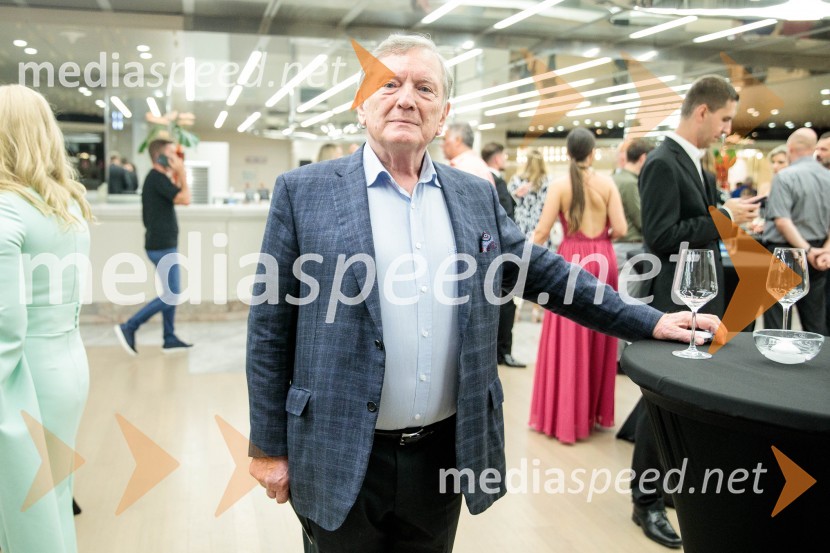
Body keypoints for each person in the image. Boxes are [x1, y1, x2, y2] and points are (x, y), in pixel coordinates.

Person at [245, 33, 718, 553]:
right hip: (337, 449)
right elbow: (269, 328)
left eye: (424, 88)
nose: (406, 98)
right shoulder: (303, 193)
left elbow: (543, 273)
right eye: (388, 84)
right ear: (362, 104)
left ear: (442, 113)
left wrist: (646, 320)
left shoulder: (473, 195)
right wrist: (268, 447)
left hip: (443, 456)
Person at [633, 74, 759, 549]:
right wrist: (723, 219)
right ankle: (644, 501)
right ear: (702, 111)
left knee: (681, 396)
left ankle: (660, 486)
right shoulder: (663, 162)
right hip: (674, 298)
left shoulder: (696, 165)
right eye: (725, 118)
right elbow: (661, 236)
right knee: (660, 398)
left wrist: (728, 215)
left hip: (700, 295)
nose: (727, 129)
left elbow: (698, 223)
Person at [0, 84, 92, 553]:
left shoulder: (7, 207)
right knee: (51, 497)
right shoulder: (67, 203)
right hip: (67, 366)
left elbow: (4, 326)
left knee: (21, 513)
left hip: (21, 377)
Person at [528, 127, 627, 444]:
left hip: (571, 257)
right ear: (593, 153)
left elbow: (541, 233)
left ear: (568, 152)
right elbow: (622, 228)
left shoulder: (560, 185)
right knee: (601, 331)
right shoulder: (608, 183)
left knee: (568, 335)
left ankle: (565, 417)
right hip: (604, 258)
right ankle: (594, 414)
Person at [114, 139, 193, 355]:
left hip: (162, 243)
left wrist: (176, 172)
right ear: (160, 156)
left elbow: (177, 193)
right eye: (171, 153)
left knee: (169, 291)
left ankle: (169, 337)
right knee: (172, 294)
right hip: (162, 246)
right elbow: (185, 198)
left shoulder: (158, 179)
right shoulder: (156, 179)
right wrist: (183, 172)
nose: (175, 157)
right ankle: (129, 326)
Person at [762, 128, 830, 335]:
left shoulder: (785, 176)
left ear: (790, 149)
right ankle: (821, 365)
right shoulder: (828, 176)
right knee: (815, 318)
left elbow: (782, 221)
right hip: (818, 252)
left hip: (786, 252)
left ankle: (776, 363)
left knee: (777, 318)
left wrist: (807, 250)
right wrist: (824, 251)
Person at [481, 142, 525, 368]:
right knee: (506, 302)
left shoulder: (495, 182)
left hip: (495, 250)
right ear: (497, 158)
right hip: (499, 252)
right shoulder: (491, 182)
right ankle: (502, 351)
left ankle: (501, 350)